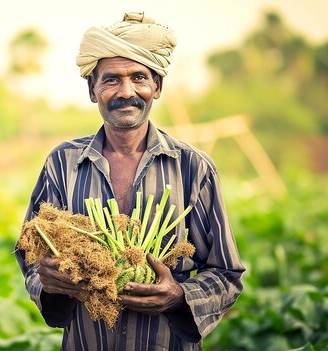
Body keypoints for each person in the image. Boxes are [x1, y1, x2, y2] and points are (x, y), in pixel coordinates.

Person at [15, 11, 245, 350]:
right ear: (93, 89)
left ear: (157, 86)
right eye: (111, 80)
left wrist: (179, 295)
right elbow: (31, 255)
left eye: (139, 77)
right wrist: (49, 281)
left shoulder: (193, 168)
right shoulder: (61, 164)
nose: (126, 91)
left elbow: (226, 273)